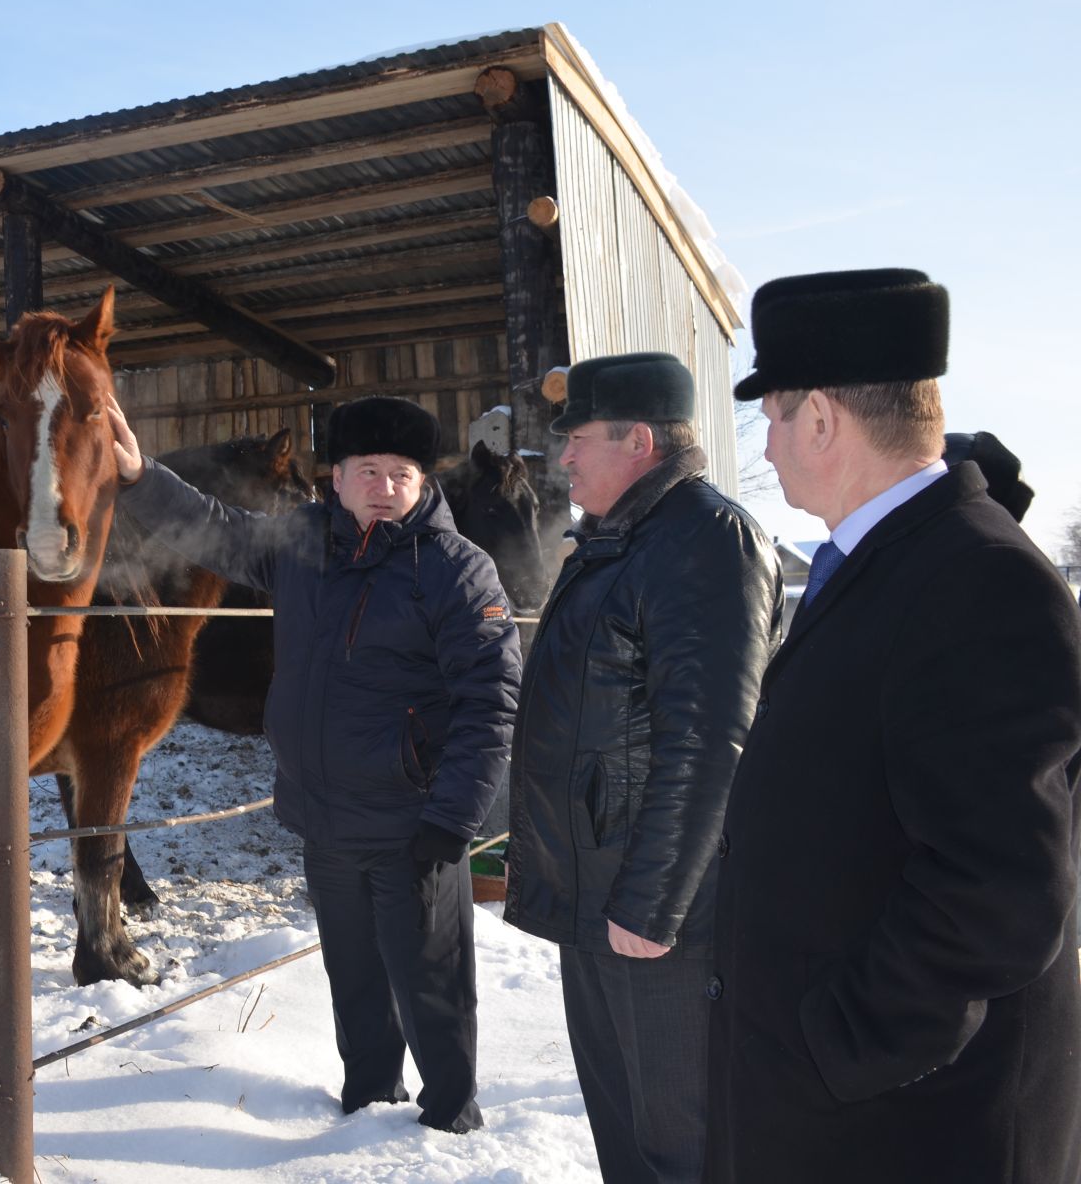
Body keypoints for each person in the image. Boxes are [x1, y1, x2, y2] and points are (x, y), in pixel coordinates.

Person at [707, 268, 1081, 1183]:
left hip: (909, 1125)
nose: (769, 439)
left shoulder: (977, 579)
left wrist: (839, 1046)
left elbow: (1002, 884)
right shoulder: (884, 560)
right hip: (853, 1107)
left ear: (824, 419)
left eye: (776, 413)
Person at [106, 392, 520, 1133]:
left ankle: (451, 1122)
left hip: (412, 820)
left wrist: (454, 818)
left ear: (424, 482)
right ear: (335, 477)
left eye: (401, 473)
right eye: (368, 469)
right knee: (355, 981)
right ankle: (365, 1108)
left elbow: (490, 703)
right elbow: (217, 531)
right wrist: (138, 476)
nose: (384, 486)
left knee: (431, 984)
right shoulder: (304, 547)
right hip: (325, 819)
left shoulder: (458, 570)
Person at [501, 352, 781, 1183]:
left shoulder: (705, 539)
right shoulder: (620, 542)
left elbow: (709, 740)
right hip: (599, 898)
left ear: (641, 441)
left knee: (680, 1145)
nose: (565, 459)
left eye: (578, 438)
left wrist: (653, 905)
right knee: (623, 1130)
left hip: (657, 916)